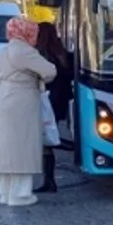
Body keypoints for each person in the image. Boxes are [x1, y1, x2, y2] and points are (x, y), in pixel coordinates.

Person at [0, 16, 57, 207]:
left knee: (4, 147)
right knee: (22, 147)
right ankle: (20, 195)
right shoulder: (26, 51)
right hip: (22, 99)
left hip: (2, 98)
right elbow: (50, 71)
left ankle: (5, 193)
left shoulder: (3, 51)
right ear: (28, 32)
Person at [34, 22, 73, 193]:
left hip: (46, 100)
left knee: (47, 139)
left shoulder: (42, 54)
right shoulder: (62, 52)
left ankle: (49, 181)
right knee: (47, 138)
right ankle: (49, 181)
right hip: (59, 100)